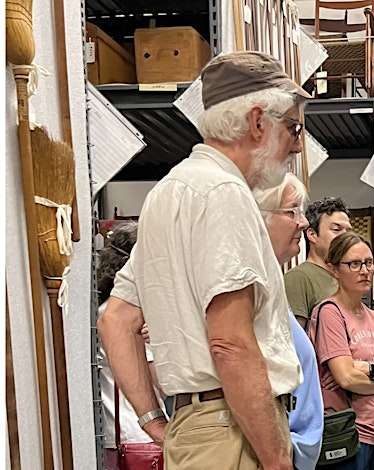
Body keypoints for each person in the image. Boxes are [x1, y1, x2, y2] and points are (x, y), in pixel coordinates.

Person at [97, 51, 311, 470]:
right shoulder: (223, 194)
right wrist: (275, 459)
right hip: (234, 430)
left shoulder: (168, 192)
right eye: (293, 127)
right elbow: (230, 342)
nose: (298, 143)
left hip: (201, 429)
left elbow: (116, 319)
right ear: (256, 122)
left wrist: (154, 420)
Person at [308, 232, 374, 470]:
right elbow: (346, 377)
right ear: (334, 269)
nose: (365, 270)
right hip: (345, 433)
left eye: (369, 262)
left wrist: (367, 368)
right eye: (354, 264)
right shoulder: (330, 312)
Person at [253, 173, 324, 470]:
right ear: (260, 217)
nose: (304, 222)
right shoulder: (250, 287)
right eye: (292, 210)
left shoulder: (272, 285)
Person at [96, 222, 166, 470]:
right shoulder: (134, 319)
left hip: (112, 433)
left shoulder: (103, 313)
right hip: (143, 434)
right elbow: (161, 380)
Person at [285, 197, 352, 328]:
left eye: (348, 231)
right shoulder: (298, 278)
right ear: (312, 234)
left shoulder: (344, 277)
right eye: (336, 230)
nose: (345, 237)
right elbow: (294, 340)